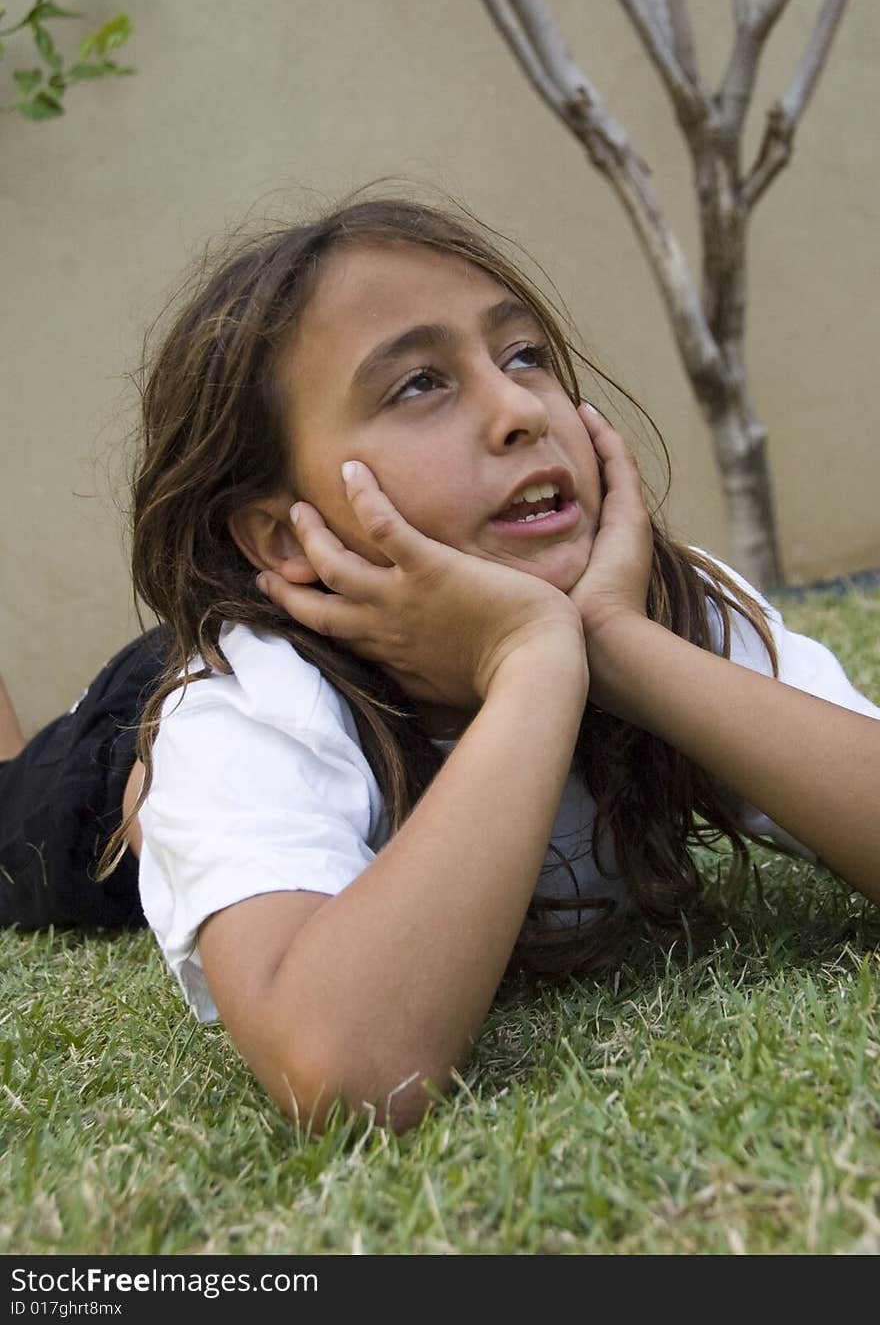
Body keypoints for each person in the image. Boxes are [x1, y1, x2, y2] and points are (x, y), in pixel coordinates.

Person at [2, 195, 879, 1135]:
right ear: (281, 530)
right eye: (419, 383)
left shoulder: (660, 602)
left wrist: (616, 644)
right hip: (162, 719)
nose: (518, 411)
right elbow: (347, 1073)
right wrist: (536, 660)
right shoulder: (243, 707)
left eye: (524, 355)